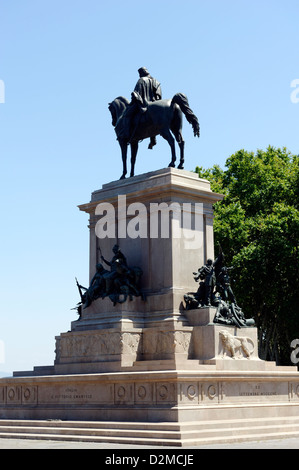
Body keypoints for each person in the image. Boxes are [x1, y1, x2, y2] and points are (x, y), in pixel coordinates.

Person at [120, 68, 162, 148]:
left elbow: (136, 94)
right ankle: (153, 139)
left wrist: (132, 101)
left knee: (126, 115)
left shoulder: (141, 80)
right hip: (154, 103)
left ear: (141, 73)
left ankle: (127, 134)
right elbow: (159, 95)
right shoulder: (156, 81)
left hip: (144, 103)